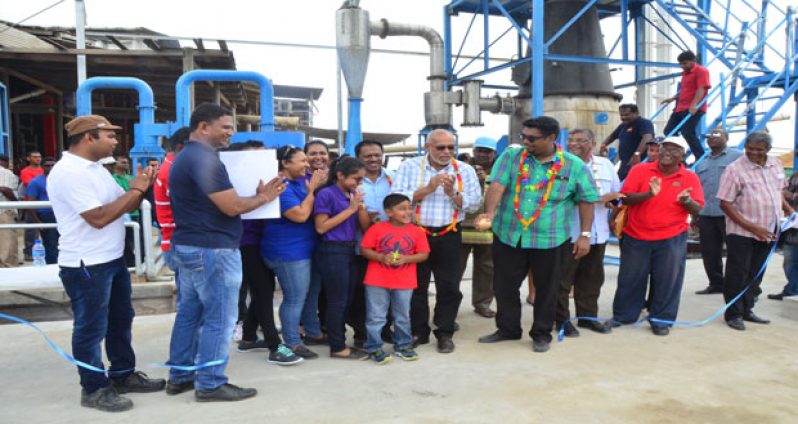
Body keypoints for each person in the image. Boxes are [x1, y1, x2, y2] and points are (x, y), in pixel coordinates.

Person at [166, 103, 284, 402]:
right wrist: (264, 197)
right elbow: (231, 206)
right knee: (220, 318)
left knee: (190, 314)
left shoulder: (185, 157)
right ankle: (210, 382)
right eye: (226, 127)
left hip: (191, 246)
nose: (231, 133)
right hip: (213, 249)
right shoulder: (206, 160)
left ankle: (180, 376)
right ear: (204, 127)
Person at [48, 115, 164, 412]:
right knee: (90, 329)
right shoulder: (69, 173)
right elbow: (98, 217)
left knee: (120, 320)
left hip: (111, 259)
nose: (115, 140)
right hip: (87, 264)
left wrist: (142, 186)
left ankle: (123, 374)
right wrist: (137, 190)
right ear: (89, 137)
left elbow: (125, 203)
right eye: (109, 135)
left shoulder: (96, 169)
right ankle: (94, 388)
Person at [475, 116, 598, 353]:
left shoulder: (574, 166)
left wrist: (585, 235)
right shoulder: (512, 157)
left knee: (547, 289)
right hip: (509, 235)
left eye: (532, 138)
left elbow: (586, 201)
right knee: (504, 286)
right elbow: (497, 185)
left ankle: (541, 333)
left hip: (550, 239)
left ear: (552, 138)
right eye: (523, 136)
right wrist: (489, 214)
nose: (525, 142)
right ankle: (508, 329)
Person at [392, 128, 482, 354]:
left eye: (451, 147)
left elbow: (473, 205)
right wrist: (429, 188)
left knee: (449, 287)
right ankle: (418, 332)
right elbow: (396, 200)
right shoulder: (409, 167)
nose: (446, 151)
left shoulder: (465, 170)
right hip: (415, 235)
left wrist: (453, 193)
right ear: (427, 147)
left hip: (449, 234)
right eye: (440, 147)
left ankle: (444, 332)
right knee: (416, 286)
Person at [611, 137, 704, 336]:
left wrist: (687, 200)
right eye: (664, 148)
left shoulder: (690, 178)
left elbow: (698, 209)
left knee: (667, 280)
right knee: (631, 278)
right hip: (636, 235)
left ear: (683, 155)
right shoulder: (640, 170)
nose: (668, 153)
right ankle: (624, 315)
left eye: (675, 150)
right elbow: (624, 198)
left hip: (671, 237)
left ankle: (661, 319)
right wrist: (648, 195)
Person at [716, 131, 791, 331]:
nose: (753, 153)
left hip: (769, 231)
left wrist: (790, 211)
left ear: (768, 150)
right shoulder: (734, 169)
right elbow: (725, 203)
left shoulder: (775, 164)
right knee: (737, 274)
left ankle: (747, 309)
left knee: (756, 274)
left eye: (759, 149)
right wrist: (752, 227)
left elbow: (779, 192)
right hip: (743, 232)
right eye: (750, 148)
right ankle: (733, 314)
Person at [259, 145, 326, 360]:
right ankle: (293, 343)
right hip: (288, 252)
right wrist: (312, 190)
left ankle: (313, 333)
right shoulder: (282, 186)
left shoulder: (301, 182)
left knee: (307, 296)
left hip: (304, 249)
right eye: (302, 161)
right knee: (294, 298)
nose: (307, 165)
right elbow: (299, 215)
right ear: (285, 163)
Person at [557, 129, 622, 336]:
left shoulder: (606, 165)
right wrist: (601, 198)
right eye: (571, 140)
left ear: (592, 144)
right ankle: (561, 320)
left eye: (580, 140)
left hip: (598, 233)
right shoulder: (560, 166)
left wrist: (613, 203)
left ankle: (587, 317)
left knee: (592, 278)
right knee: (562, 280)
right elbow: (560, 198)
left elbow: (616, 193)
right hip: (569, 233)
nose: (574, 144)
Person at [313, 156, 372, 359]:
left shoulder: (351, 194)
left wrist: (359, 207)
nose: (359, 183)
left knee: (347, 299)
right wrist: (350, 209)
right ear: (340, 175)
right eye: (356, 178)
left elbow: (364, 227)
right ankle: (337, 346)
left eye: (361, 179)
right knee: (337, 300)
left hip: (349, 250)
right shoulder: (326, 194)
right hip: (332, 250)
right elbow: (321, 227)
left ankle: (339, 341)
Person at [360, 193, 430, 364]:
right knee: (376, 316)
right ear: (388, 212)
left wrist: (406, 259)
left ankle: (403, 345)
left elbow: (424, 254)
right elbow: (365, 250)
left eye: (409, 208)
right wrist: (382, 258)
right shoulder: (376, 229)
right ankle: (374, 347)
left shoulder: (416, 232)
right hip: (377, 280)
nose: (408, 212)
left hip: (404, 281)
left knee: (402, 315)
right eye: (402, 209)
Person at [353, 139, 396, 345]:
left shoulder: (393, 178)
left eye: (377, 155)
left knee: (389, 292)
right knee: (363, 295)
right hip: (363, 246)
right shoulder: (355, 183)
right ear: (359, 158)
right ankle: (362, 335)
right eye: (367, 155)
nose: (373, 159)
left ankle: (386, 331)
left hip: (390, 248)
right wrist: (365, 216)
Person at [693, 129, 742, 295]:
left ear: (727, 138)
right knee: (709, 252)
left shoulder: (737, 157)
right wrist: (695, 217)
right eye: (709, 136)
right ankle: (716, 284)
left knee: (735, 253)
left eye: (717, 135)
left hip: (730, 214)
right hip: (706, 214)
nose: (712, 138)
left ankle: (733, 286)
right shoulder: (702, 163)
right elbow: (697, 191)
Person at [460, 136, 498, 318]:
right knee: (455, 267)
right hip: (463, 224)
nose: (482, 154)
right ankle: (450, 306)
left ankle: (482, 303)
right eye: (479, 150)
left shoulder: (500, 169)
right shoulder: (464, 167)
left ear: (494, 153)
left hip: (488, 225)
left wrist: (487, 179)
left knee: (486, 266)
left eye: (487, 151)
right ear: (474, 151)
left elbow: (504, 190)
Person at [661, 50, 712, 160]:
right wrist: (673, 98)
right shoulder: (685, 73)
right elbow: (686, 90)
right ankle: (678, 155)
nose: (682, 66)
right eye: (681, 64)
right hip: (680, 108)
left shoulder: (701, 71)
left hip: (693, 108)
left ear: (693, 61)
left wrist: (694, 105)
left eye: (685, 63)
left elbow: (701, 89)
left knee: (687, 132)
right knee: (669, 131)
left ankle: (700, 156)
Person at [154, 128, 189, 270]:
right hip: (180, 242)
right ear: (181, 148)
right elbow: (192, 206)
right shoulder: (174, 170)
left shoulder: (171, 166)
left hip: (177, 241)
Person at [600, 104, 655, 180]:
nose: (623, 118)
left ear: (636, 113)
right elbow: (612, 136)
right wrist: (603, 145)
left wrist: (637, 154)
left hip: (639, 162)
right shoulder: (623, 126)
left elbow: (647, 138)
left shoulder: (644, 123)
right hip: (625, 162)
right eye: (621, 115)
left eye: (627, 115)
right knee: (619, 184)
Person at [24, 156, 59, 264]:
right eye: (47, 165)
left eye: (52, 165)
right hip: (46, 215)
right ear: (42, 167)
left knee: (64, 243)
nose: (50, 167)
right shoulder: (35, 182)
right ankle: (52, 268)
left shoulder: (62, 180)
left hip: (62, 214)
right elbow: (31, 204)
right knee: (51, 244)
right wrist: (38, 222)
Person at [770, 169, 798, 300]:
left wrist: (791, 196)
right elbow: (783, 193)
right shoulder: (795, 175)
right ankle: (792, 289)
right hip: (792, 226)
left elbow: (788, 195)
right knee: (790, 261)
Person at [111, 155, 139, 267]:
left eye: (127, 162)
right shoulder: (113, 179)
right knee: (125, 240)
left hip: (135, 213)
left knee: (135, 239)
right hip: (123, 215)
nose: (125, 164)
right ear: (116, 164)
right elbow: (125, 194)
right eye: (122, 162)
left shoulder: (131, 178)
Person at [20, 150, 44, 260]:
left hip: (44, 203)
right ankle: (29, 252)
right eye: (34, 157)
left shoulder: (44, 170)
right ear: (28, 159)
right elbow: (29, 184)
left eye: (39, 157)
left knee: (46, 228)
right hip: (31, 203)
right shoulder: (25, 171)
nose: (37, 159)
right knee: (31, 229)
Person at [0, 155, 20, 267]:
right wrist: (16, 202)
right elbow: (4, 189)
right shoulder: (5, 172)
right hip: (4, 211)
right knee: (7, 242)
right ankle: (8, 267)